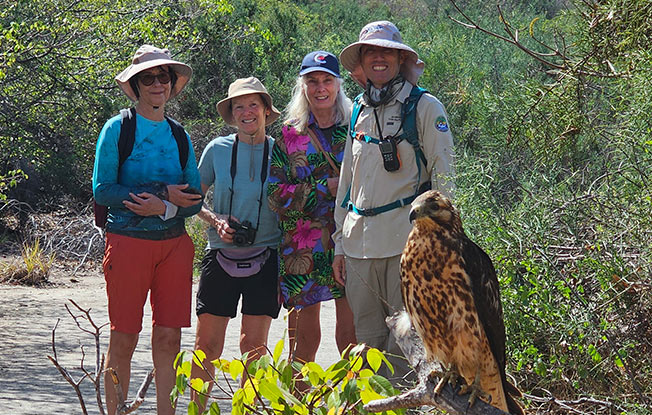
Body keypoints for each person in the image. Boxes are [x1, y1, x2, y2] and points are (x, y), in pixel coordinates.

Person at [333, 21, 455, 385]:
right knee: (366, 343)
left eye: (387, 51)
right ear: (363, 60)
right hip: (358, 247)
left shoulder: (425, 107)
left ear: (401, 58)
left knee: (407, 343)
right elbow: (347, 183)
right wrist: (340, 243)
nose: (379, 58)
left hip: (407, 246)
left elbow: (444, 176)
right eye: (371, 51)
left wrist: (442, 246)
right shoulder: (357, 108)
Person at [92, 45, 203, 415]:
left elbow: (196, 199)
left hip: (174, 246)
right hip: (127, 244)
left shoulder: (179, 135)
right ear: (136, 85)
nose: (158, 84)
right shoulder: (117, 129)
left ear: (172, 84)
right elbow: (102, 190)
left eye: (164, 77)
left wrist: (166, 206)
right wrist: (159, 194)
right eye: (148, 78)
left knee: (170, 338)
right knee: (124, 337)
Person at [191, 77, 282, 409]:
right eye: (239, 106)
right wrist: (216, 220)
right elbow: (192, 201)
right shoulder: (217, 150)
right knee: (207, 347)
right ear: (231, 113)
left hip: (267, 256)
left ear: (265, 111)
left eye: (253, 105)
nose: (247, 112)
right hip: (220, 256)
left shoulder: (281, 151)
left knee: (254, 348)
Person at [267, 51, 357, 365]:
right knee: (304, 339)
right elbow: (276, 197)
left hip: (348, 241)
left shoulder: (356, 130)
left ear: (338, 84)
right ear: (302, 86)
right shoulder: (290, 135)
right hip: (301, 245)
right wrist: (324, 189)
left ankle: (355, 405)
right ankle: (299, 404)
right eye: (313, 81)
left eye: (327, 80)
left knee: (351, 335)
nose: (320, 88)